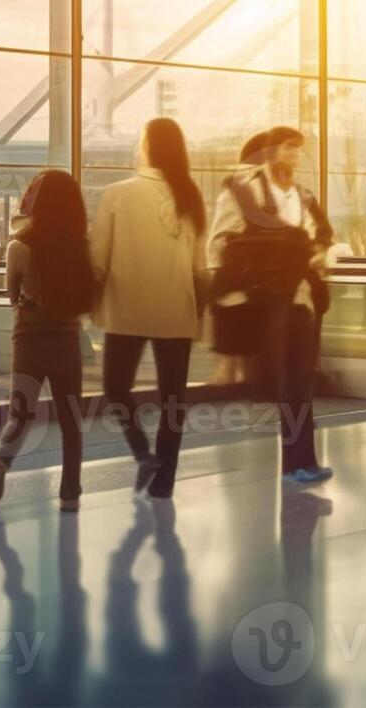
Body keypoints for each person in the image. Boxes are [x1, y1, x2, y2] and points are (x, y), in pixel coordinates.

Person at [209, 127, 336, 485]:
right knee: (290, 383)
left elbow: (323, 238)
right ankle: (297, 464)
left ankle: (301, 462)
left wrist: (319, 255)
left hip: (301, 297)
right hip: (267, 299)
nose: (295, 155)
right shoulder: (242, 191)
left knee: (300, 383)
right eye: (288, 148)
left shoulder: (302, 195)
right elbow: (218, 243)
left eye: (298, 149)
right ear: (267, 153)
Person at [92, 118, 209, 500]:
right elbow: (199, 268)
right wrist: (200, 316)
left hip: (127, 310)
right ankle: (164, 483)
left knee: (115, 387)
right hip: (177, 310)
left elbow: (98, 261)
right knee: (173, 399)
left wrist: (90, 305)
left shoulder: (116, 194)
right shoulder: (190, 198)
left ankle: (143, 453)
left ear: (147, 147)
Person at [0, 170, 94, 510]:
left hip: (29, 342)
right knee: (71, 421)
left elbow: (11, 294)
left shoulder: (19, 246)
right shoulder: (81, 246)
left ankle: (1, 463)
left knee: (20, 415)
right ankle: (71, 494)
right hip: (66, 342)